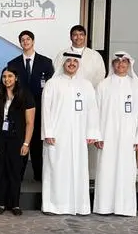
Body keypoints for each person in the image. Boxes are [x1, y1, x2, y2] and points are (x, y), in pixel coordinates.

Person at [41, 53, 100, 215]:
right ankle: (54, 206)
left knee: (78, 170)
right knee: (56, 169)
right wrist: (48, 132)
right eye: (68, 60)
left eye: (75, 61)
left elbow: (92, 110)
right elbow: (46, 109)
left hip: (79, 136)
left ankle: (79, 206)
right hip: (57, 136)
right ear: (63, 63)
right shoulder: (52, 83)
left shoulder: (86, 85)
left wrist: (92, 132)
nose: (72, 63)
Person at [93, 52, 138, 217]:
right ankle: (104, 207)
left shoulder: (136, 86)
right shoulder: (103, 85)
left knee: (126, 171)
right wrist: (97, 135)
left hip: (128, 137)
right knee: (106, 170)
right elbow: (95, 112)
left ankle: (124, 208)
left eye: (124, 61)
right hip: (107, 136)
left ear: (129, 64)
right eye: (117, 61)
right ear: (113, 64)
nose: (121, 64)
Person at [0, 67, 35, 216]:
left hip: (17, 139)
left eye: (10, 76)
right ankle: (0, 203)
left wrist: (26, 143)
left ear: (16, 78)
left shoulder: (25, 95)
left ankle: (15, 204)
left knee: (15, 171)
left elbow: (30, 123)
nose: (7, 79)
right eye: (4, 76)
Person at [6, 30, 54, 181]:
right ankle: (18, 175)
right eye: (23, 40)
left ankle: (39, 176)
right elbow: (10, 87)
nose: (25, 42)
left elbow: (51, 88)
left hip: (39, 108)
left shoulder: (46, 62)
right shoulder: (13, 63)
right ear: (20, 43)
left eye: (28, 39)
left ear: (33, 41)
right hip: (19, 109)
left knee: (37, 144)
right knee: (20, 141)